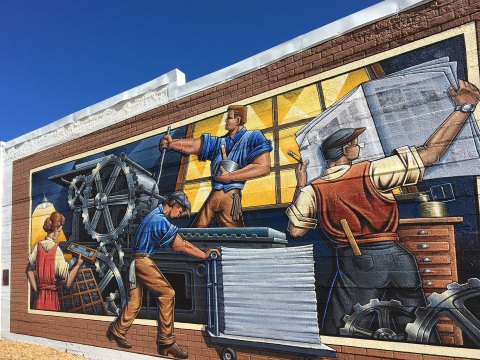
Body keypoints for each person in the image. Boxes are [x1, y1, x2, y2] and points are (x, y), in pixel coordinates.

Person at [286, 80, 480, 337]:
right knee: (418, 325)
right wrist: (463, 108)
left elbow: (295, 231)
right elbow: (430, 154)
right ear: (345, 150)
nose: (360, 147)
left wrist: (300, 186)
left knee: (340, 327)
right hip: (399, 258)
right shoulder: (374, 170)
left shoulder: (313, 190)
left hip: (357, 262)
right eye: (356, 144)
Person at [107, 191, 220, 359]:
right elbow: (181, 245)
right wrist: (203, 255)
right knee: (168, 294)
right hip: (143, 261)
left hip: (134, 261)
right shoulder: (160, 220)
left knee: (135, 302)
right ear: (175, 205)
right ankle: (166, 343)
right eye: (180, 211)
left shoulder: (153, 214)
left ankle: (117, 331)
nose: (179, 215)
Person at [160, 105, 273, 227]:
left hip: (231, 196)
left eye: (229, 118)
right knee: (197, 232)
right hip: (214, 195)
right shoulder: (220, 142)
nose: (225, 120)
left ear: (238, 120)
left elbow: (263, 167)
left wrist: (230, 176)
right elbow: (195, 145)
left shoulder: (253, 137)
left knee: (235, 235)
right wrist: (172, 144)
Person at [26, 211, 84, 311]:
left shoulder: (38, 247)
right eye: (59, 231)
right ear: (55, 229)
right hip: (51, 300)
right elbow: (68, 283)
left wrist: (36, 289)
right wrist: (78, 265)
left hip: (39, 299)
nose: (59, 233)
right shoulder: (57, 250)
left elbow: (29, 270)